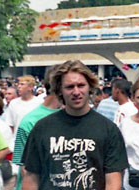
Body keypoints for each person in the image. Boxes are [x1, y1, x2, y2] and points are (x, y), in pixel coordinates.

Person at [21, 60, 128, 190]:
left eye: (81, 85)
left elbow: (113, 182)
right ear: (60, 90)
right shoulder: (42, 128)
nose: (76, 92)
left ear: (90, 87)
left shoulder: (109, 130)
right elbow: (31, 178)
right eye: (70, 87)